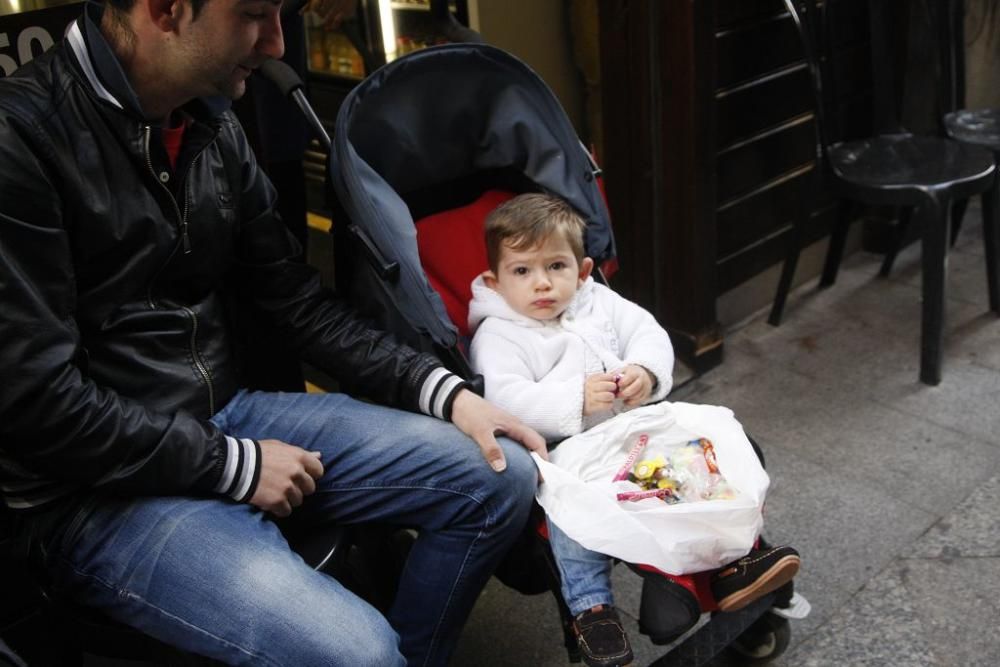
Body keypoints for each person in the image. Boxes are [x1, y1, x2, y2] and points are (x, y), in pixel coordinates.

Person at [0, 1, 548, 665]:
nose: (278, 43)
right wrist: (235, 465)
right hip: (96, 491)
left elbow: (295, 300)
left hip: (224, 417)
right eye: (256, 14)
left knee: (500, 477)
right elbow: (35, 402)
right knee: (361, 653)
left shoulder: (208, 121)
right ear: (166, 10)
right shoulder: (20, 134)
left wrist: (447, 392)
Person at [468, 193, 801, 667]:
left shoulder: (596, 301)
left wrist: (644, 369)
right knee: (571, 515)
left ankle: (732, 562)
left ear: (582, 271)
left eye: (556, 267)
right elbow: (502, 399)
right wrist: (572, 399)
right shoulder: (498, 335)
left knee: (700, 465)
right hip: (568, 453)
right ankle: (593, 609)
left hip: (634, 433)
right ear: (494, 283)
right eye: (522, 271)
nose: (542, 283)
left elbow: (646, 332)